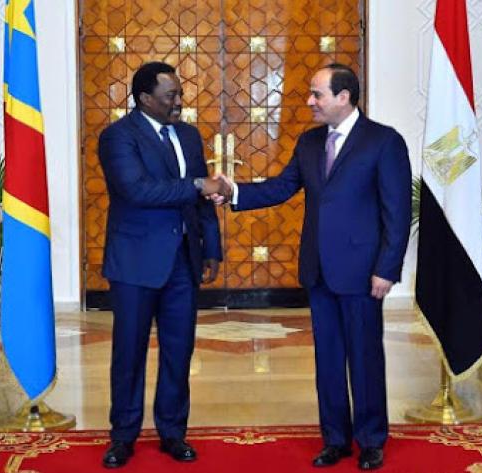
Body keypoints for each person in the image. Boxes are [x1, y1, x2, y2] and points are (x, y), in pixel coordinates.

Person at [215, 64, 411, 470]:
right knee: (328, 359)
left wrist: (387, 269)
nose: (310, 102)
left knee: (365, 358)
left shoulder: (383, 141)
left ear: (344, 97)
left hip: (362, 272)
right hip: (319, 270)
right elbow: (281, 187)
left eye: (317, 94)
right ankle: (335, 439)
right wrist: (233, 192)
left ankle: (371, 440)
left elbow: (397, 212)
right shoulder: (309, 142)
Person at [97, 61, 229, 469]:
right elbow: (136, 190)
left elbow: (202, 199)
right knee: (129, 352)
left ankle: (173, 432)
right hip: (135, 262)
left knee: (178, 350)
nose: (179, 102)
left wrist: (211, 247)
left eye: (179, 94)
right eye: (170, 95)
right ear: (145, 99)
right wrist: (196, 185)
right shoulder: (118, 137)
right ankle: (123, 436)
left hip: (182, 261)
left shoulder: (188, 135)